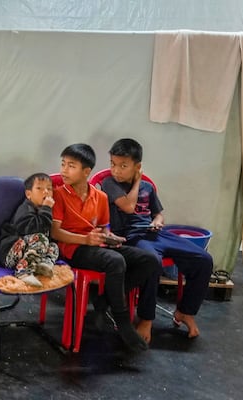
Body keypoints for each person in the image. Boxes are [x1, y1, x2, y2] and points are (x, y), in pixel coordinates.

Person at [51, 143, 161, 352]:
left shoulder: (99, 197)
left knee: (150, 260)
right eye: (63, 164)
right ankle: (123, 323)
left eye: (71, 166)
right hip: (73, 248)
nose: (64, 170)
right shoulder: (59, 194)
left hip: (96, 246)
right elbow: (55, 233)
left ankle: (104, 301)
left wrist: (111, 238)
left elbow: (102, 229)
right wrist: (85, 240)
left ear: (86, 171)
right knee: (115, 261)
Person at [101, 138, 213, 338]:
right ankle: (146, 319)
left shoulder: (148, 187)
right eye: (113, 164)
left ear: (137, 166)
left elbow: (158, 213)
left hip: (155, 233)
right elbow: (128, 206)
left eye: (123, 166)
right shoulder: (108, 183)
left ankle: (185, 312)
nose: (116, 170)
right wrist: (136, 181)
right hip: (131, 237)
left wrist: (158, 221)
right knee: (152, 262)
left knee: (204, 260)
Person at [0, 172, 60, 287]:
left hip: (30, 254)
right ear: (28, 194)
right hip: (10, 253)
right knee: (39, 238)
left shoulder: (46, 211)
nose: (46, 192)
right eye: (39, 188)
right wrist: (46, 209)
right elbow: (33, 230)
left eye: (49, 189)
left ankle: (44, 266)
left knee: (54, 246)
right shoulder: (25, 209)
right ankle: (22, 272)